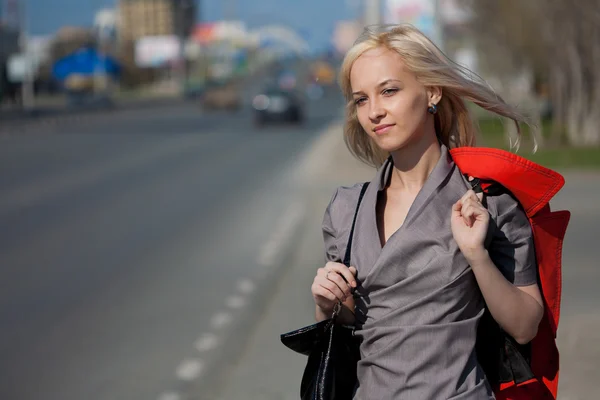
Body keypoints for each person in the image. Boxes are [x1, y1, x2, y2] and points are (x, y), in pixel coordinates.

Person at [310, 24, 544, 399]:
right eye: (361, 99)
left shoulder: (487, 202)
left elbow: (525, 326)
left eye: (389, 91)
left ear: (432, 91)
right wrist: (328, 304)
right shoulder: (346, 209)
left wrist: (476, 256)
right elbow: (352, 328)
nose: (375, 112)